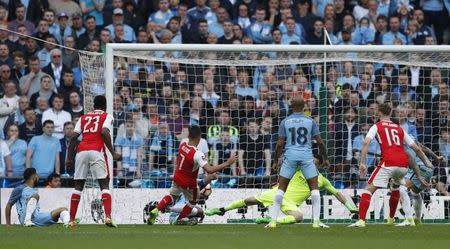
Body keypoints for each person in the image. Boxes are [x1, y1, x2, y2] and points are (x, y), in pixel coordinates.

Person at [349, 103, 433, 228]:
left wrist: (362, 163)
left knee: (368, 189)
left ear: (379, 113)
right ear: (391, 113)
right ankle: (391, 219)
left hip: (388, 162)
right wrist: (426, 162)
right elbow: (416, 148)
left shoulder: (377, 126)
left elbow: (366, 143)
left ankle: (361, 221)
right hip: (403, 165)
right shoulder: (399, 128)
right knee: (395, 188)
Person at [205, 155, 358, 224]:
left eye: (313, 163)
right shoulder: (299, 168)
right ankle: (221, 209)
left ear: (318, 166)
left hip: (290, 202)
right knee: (249, 200)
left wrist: (351, 207)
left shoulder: (321, 180)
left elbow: (338, 193)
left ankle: (272, 220)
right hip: (279, 193)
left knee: (298, 217)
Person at [147, 125, 237, 225]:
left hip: (177, 177)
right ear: (199, 138)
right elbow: (210, 170)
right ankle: (180, 218)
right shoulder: (197, 154)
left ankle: (155, 210)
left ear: (189, 136)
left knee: (172, 196)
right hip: (188, 182)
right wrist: (227, 163)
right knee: (194, 200)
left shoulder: (183, 144)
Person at [270, 96, 329, 229]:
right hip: (306, 157)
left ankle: (273, 221)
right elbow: (320, 142)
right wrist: (325, 158)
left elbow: (279, 144)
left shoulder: (285, 121)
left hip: (290, 157)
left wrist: (275, 161)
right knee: (314, 189)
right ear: (304, 106)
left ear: (291, 105)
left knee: (281, 189)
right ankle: (316, 222)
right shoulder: (310, 121)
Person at [66, 95, 121, 228]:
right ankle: (107, 217)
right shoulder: (107, 116)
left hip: (81, 151)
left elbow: (73, 136)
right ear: (105, 105)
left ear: (93, 106)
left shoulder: (84, 117)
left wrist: (68, 158)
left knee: (78, 186)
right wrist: (113, 153)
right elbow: (104, 132)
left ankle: (71, 220)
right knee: (104, 184)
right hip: (96, 151)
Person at [4, 168, 70, 226]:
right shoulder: (19, 189)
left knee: (64, 209)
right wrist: (8, 224)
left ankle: (67, 224)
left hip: (36, 216)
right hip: (25, 218)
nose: (38, 177)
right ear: (33, 176)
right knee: (36, 196)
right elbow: (8, 205)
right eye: (37, 175)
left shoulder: (34, 189)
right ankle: (27, 221)